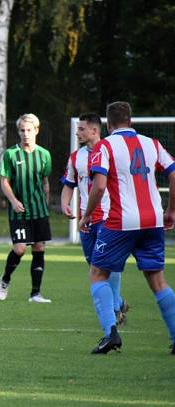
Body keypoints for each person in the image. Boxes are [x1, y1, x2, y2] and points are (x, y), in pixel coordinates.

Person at [79, 101, 175, 354]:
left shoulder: (105, 145)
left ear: (108, 125)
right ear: (130, 121)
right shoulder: (151, 143)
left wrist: (87, 215)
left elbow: (99, 186)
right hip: (153, 220)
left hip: (121, 222)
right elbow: (174, 173)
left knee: (98, 273)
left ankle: (111, 334)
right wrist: (171, 210)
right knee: (157, 280)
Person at [61, 113, 128, 325]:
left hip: (110, 216)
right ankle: (118, 303)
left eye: (81, 129)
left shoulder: (112, 152)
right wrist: (64, 202)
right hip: (86, 220)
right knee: (94, 265)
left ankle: (115, 307)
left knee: (107, 265)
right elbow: (69, 184)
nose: (77, 132)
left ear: (95, 130)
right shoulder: (76, 157)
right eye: (77, 128)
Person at [0, 113, 53, 303]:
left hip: (39, 211)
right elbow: (5, 181)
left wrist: (46, 201)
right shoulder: (10, 154)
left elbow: (45, 181)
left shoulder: (44, 155)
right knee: (20, 249)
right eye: (22, 130)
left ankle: (35, 293)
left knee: (39, 247)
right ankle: (5, 279)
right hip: (18, 211)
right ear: (18, 131)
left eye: (29, 130)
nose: (25, 134)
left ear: (36, 131)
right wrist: (13, 200)